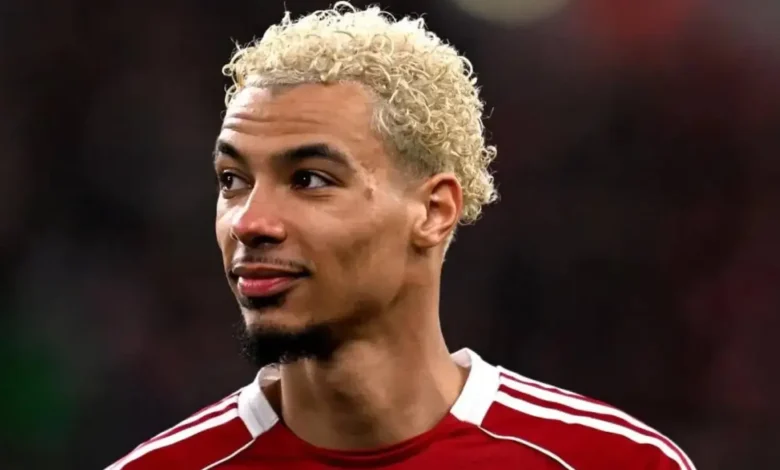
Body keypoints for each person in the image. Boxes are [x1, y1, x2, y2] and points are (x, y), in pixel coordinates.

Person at [106, 2, 696, 469]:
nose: (249, 222)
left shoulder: (615, 461)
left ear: (434, 211)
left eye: (309, 179)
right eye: (233, 180)